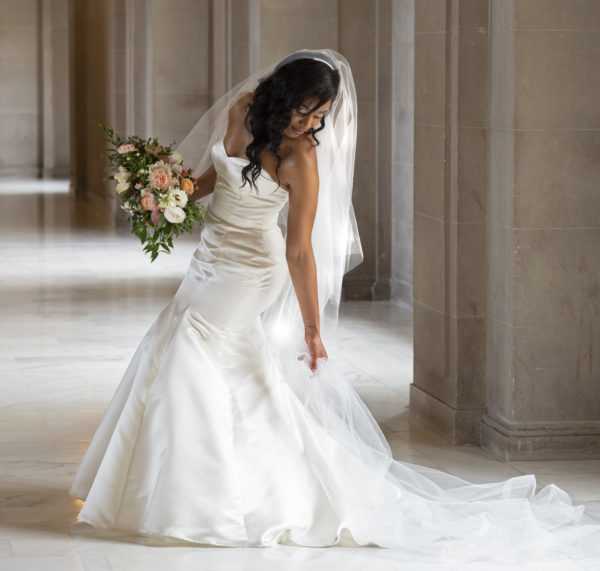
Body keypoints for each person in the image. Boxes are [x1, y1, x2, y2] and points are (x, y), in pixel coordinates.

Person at [69, 49, 600, 564]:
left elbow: (299, 250)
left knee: (190, 348)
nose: (310, 123)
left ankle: (201, 497)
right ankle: (183, 484)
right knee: (195, 352)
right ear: (281, 98)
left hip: (252, 268)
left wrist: (312, 327)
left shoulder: (302, 158)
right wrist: (173, 192)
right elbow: (217, 176)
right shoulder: (241, 111)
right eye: (304, 111)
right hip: (210, 256)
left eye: (320, 116)